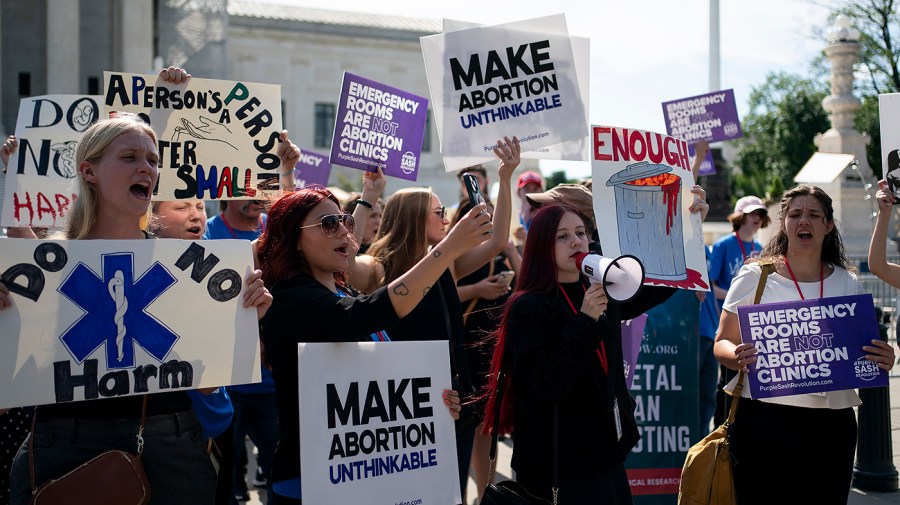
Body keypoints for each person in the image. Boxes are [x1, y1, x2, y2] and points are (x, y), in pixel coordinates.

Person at [5, 67, 272, 505]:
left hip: (169, 446)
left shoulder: (185, 266)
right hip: (65, 448)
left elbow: (208, 385)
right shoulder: (45, 265)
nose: (146, 168)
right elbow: (18, 373)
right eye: (129, 157)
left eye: (152, 159)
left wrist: (242, 323)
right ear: (89, 172)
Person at [256, 186, 491, 504]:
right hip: (309, 486)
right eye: (328, 223)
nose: (343, 229)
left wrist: (428, 403)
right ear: (294, 239)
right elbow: (376, 310)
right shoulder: (291, 299)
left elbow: (376, 378)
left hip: (366, 478)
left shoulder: (342, 291)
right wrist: (447, 250)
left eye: (345, 221)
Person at [480, 203, 693, 504]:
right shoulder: (527, 306)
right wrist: (586, 321)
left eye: (580, 232)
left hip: (605, 456)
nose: (577, 242)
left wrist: (689, 225)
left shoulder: (601, 288)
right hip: (558, 469)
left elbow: (659, 282)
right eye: (562, 236)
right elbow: (546, 384)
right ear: (542, 245)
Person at [354, 137, 518, 499]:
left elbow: (497, 241)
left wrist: (505, 178)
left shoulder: (448, 265)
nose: (446, 218)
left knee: (448, 495)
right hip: (399, 410)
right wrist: (368, 198)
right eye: (438, 212)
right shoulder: (376, 267)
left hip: (451, 402)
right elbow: (344, 265)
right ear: (414, 217)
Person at [713, 184, 896, 504]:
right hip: (764, 423)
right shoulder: (755, 275)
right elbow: (722, 342)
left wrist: (884, 356)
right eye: (795, 214)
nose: (804, 221)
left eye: (814, 215)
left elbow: (861, 355)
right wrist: (736, 356)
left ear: (828, 225)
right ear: (783, 222)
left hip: (831, 429)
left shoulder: (847, 281)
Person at [203, 132, 300, 504]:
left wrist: (287, 170)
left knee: (281, 473)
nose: (255, 192)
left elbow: (297, 218)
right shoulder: (207, 233)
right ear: (226, 189)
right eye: (245, 185)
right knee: (224, 479)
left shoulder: (274, 235)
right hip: (225, 384)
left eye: (263, 182)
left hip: (273, 384)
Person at [450, 196, 518, 503]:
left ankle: (483, 495)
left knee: (486, 421)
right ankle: (461, 494)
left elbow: (527, 277)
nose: (487, 219)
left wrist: (511, 251)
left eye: (490, 214)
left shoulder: (499, 248)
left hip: (493, 344)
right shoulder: (457, 251)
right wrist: (479, 290)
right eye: (480, 214)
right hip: (466, 344)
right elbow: (442, 294)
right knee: (466, 421)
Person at [710, 194, 770, 426]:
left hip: (753, 330)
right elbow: (711, 286)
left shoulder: (760, 248)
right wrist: (738, 300)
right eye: (753, 213)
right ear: (740, 216)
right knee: (725, 384)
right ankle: (720, 432)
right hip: (728, 327)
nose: (758, 218)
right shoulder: (723, 245)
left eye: (761, 214)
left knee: (749, 383)